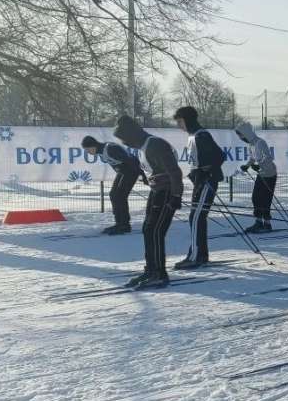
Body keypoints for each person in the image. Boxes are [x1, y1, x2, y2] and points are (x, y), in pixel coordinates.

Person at [113, 115, 184, 289]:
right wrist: (148, 178)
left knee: (155, 231)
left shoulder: (155, 145)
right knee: (147, 230)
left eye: (124, 139)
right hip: (157, 191)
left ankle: (159, 274)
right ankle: (151, 270)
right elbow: (155, 170)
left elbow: (175, 172)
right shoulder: (143, 146)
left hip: (166, 192)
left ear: (132, 135)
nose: (124, 143)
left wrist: (176, 196)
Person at [173, 106, 224, 269]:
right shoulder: (193, 135)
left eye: (180, 121)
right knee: (196, 218)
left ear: (188, 120)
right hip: (200, 182)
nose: (179, 125)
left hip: (207, 182)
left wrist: (206, 171)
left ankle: (196, 256)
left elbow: (219, 155)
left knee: (195, 218)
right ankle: (199, 254)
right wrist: (195, 173)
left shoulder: (202, 135)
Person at [81, 135, 143, 235]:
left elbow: (131, 160)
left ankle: (124, 225)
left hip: (131, 170)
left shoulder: (110, 148)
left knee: (120, 196)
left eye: (88, 150)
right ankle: (119, 223)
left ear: (93, 146)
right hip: (124, 171)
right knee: (113, 195)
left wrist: (142, 175)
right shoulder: (102, 150)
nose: (88, 153)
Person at [234, 122, 277, 233]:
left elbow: (268, 158)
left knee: (265, 199)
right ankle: (258, 222)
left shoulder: (260, 142)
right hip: (262, 173)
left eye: (241, 135)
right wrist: (247, 166)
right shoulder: (251, 144)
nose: (240, 138)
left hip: (270, 173)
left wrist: (259, 165)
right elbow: (253, 158)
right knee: (256, 197)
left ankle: (267, 224)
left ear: (246, 133)